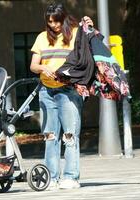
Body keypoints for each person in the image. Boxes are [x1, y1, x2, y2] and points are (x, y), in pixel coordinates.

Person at [30, 3, 94, 189]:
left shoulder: (74, 34)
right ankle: (50, 177)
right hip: (46, 91)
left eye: (57, 21)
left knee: (70, 135)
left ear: (63, 18)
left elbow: (90, 42)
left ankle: (71, 177)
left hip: (69, 91)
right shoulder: (42, 38)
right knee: (50, 136)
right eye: (50, 22)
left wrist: (89, 25)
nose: (54, 25)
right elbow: (34, 65)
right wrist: (43, 67)